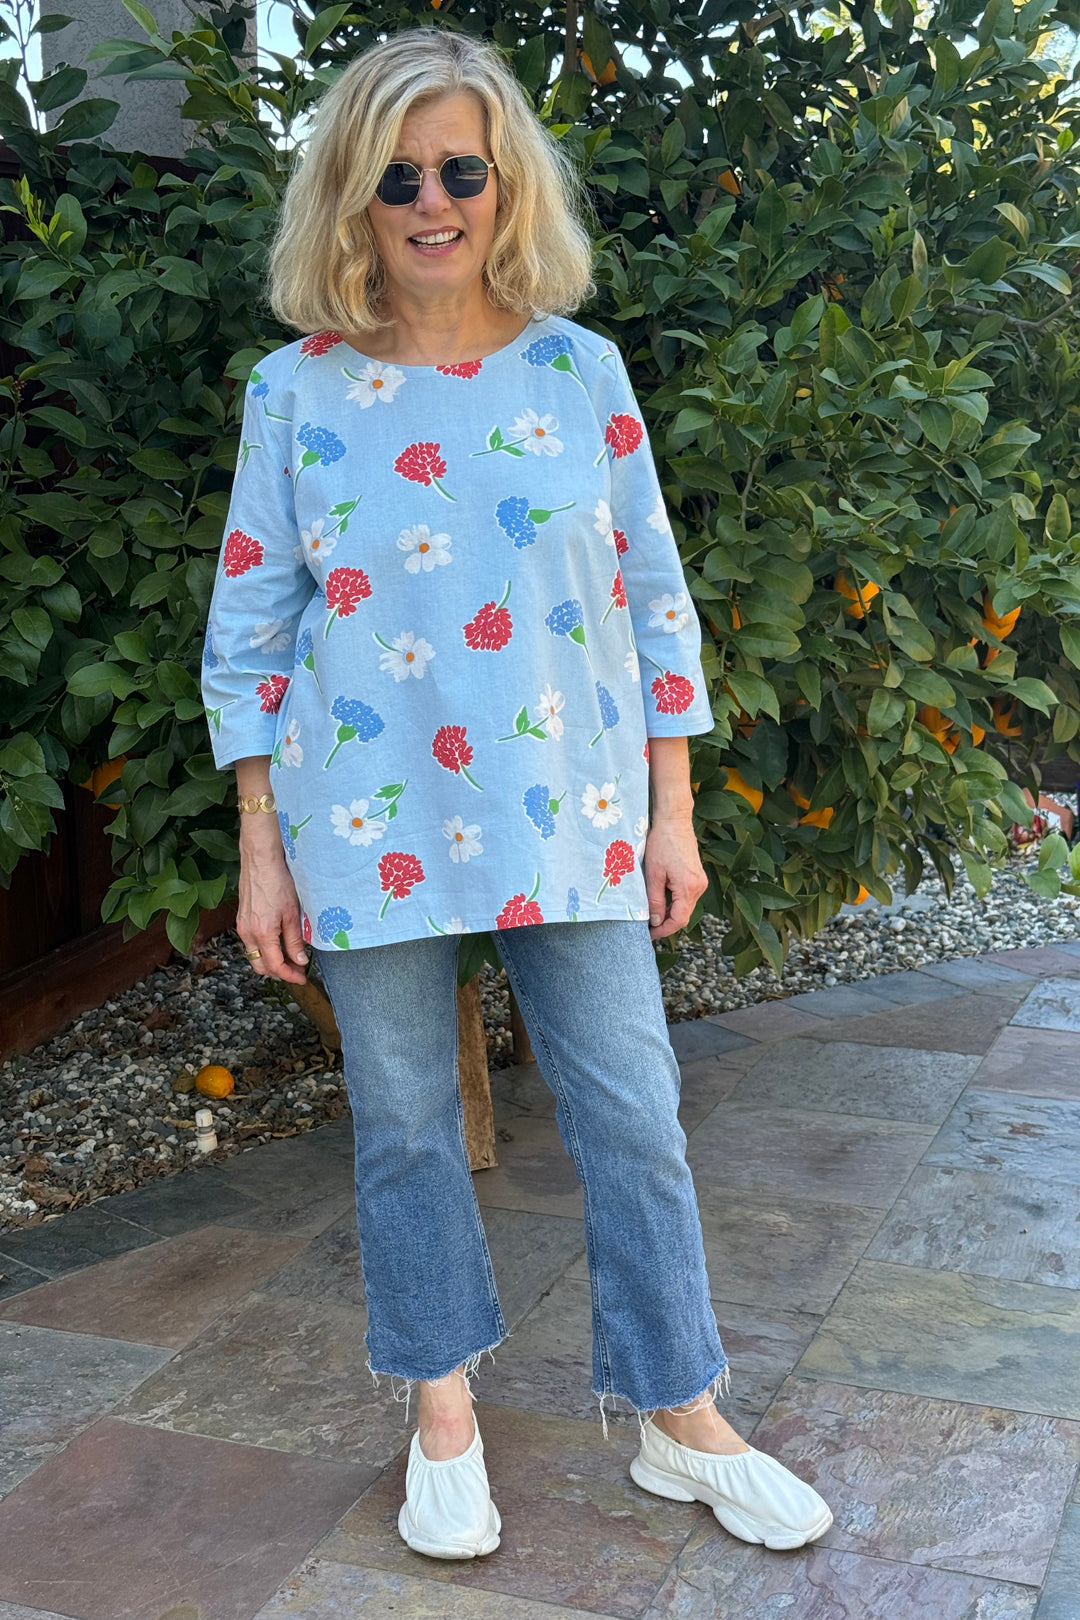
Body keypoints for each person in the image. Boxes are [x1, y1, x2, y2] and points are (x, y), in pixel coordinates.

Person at [200, 25, 832, 1563]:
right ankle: (443, 1418)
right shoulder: (297, 394)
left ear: (506, 186)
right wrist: (261, 846)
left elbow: (656, 602)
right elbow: (251, 627)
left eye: (461, 172)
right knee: (407, 1126)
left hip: (571, 809)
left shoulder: (577, 371)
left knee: (634, 1111)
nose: (432, 202)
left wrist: (672, 809)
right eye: (396, 176)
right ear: (351, 198)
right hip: (368, 819)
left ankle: (681, 1416)